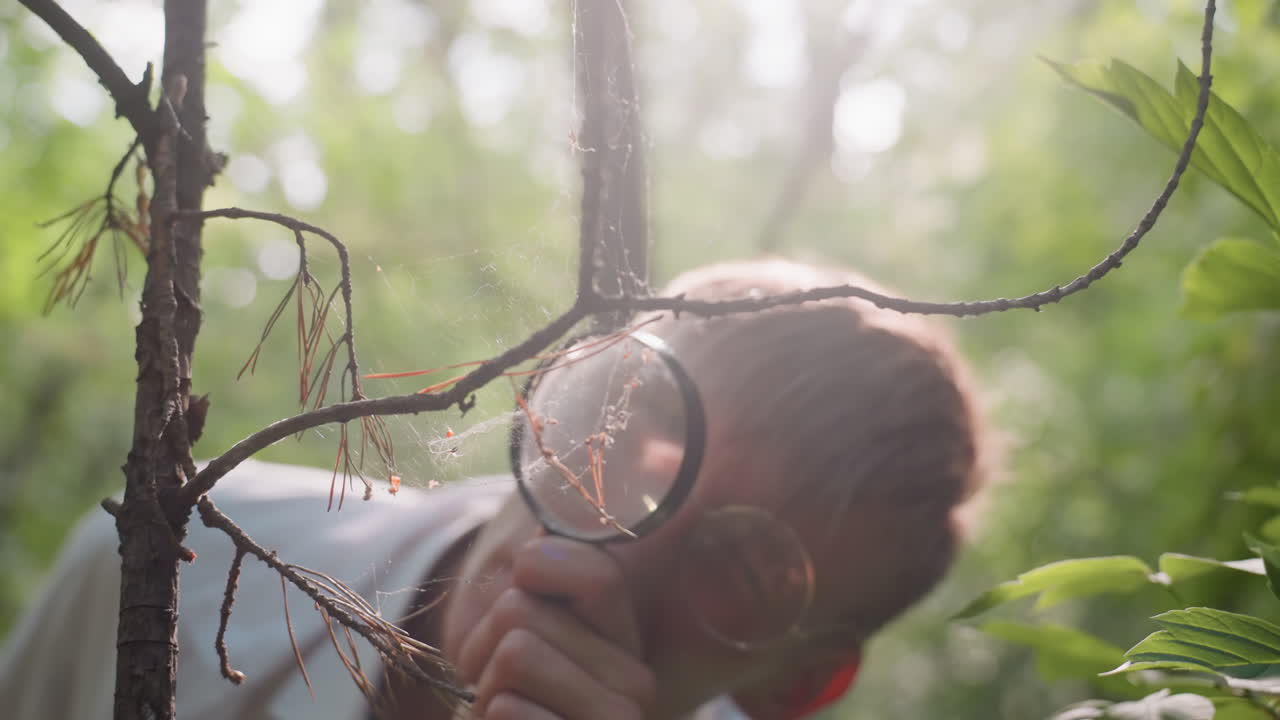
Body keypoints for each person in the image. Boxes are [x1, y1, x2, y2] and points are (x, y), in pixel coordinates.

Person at [0, 258, 986, 720]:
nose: (615, 541)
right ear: (562, 383)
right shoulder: (179, 559)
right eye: (628, 420)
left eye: (740, 563)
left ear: (795, 687)